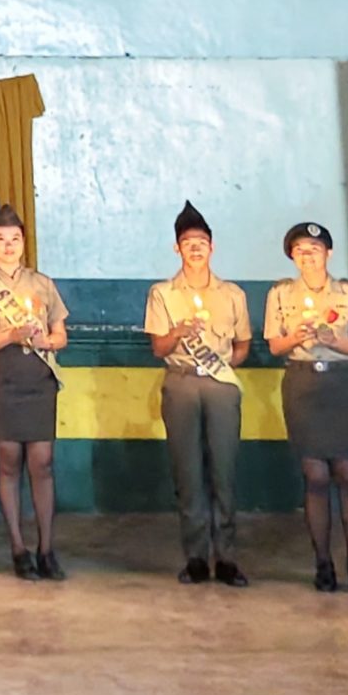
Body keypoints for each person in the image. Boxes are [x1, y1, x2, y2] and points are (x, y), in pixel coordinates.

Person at [146, 201, 252, 587]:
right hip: (181, 382)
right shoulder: (163, 294)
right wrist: (178, 333)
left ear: (212, 248)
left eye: (202, 242)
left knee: (223, 470)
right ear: (177, 249)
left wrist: (223, 369)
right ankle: (195, 557)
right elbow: (158, 347)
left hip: (221, 384)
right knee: (188, 471)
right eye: (188, 243)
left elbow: (242, 345)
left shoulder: (232, 294)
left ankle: (226, 557)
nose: (196, 249)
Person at [264, 221, 348, 593]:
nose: (307, 256)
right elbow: (275, 346)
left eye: (313, 249)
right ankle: (323, 564)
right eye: (299, 250)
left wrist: (335, 341)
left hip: (342, 384)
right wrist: (296, 336)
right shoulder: (280, 295)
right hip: (303, 383)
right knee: (315, 478)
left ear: (328, 253)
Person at [0, 203, 68, 581]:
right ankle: (17, 548)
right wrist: (10, 334)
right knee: (8, 462)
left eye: (15, 239)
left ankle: (46, 548)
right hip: (1, 380)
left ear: (24, 243)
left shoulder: (42, 284)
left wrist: (46, 340)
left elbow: (61, 335)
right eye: (1, 239)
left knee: (42, 463)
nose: (9, 246)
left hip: (39, 381)